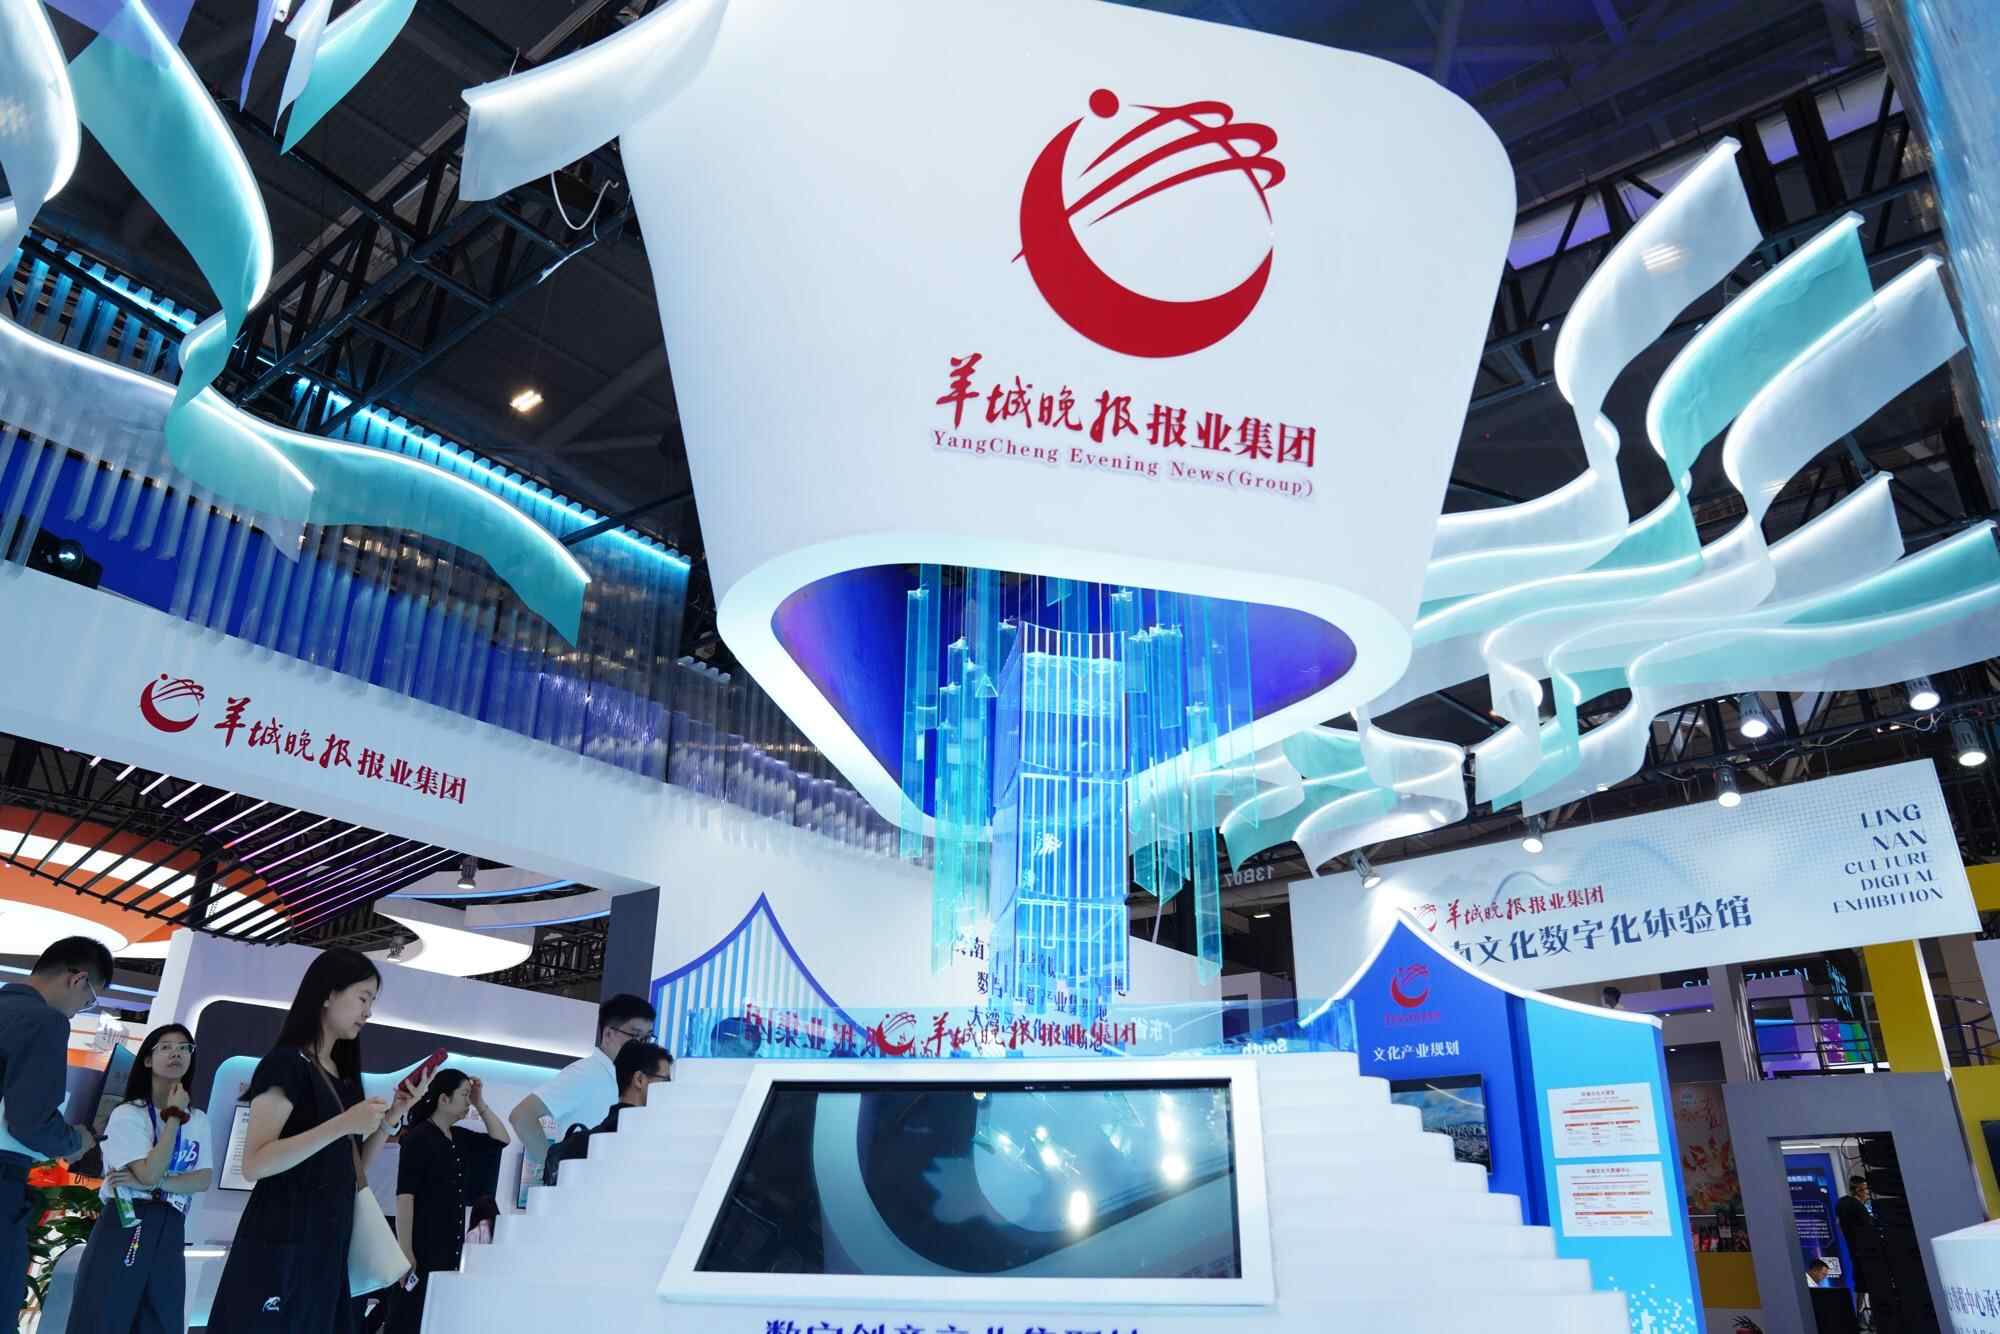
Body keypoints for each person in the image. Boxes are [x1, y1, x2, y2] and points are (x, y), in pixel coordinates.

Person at [204, 948, 426, 1334]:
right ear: (328, 994)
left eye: (372, 1001)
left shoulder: (343, 1075)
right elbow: (254, 1162)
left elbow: (352, 1169)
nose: (368, 1012)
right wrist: (341, 1124)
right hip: (283, 1239)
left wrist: (392, 1117)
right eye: (363, 998)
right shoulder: (286, 1064)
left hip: (329, 1244)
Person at [65, 1024, 213, 1333]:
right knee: (104, 1318)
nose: (176, 1053)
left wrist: (156, 1184)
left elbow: (201, 1179)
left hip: (171, 1226)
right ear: (147, 1059)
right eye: (166, 1047)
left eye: (184, 1048)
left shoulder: (199, 1119)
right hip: (128, 1222)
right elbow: (149, 1171)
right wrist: (174, 1117)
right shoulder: (128, 1114)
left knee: (161, 1322)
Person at [3, 937, 108, 1325]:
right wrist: (75, 1141)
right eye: (89, 1001)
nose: (81, 1010)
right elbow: (30, 1122)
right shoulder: (45, 1021)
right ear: (77, 979)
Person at [388, 1072, 508, 1334]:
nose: (467, 1101)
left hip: (449, 1247)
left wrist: (480, 1102)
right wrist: (405, 1250)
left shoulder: (459, 1137)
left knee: (435, 1316)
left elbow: (502, 1139)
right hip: (422, 1246)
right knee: (409, 1315)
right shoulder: (418, 1137)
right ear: (444, 1099)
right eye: (464, 1095)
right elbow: (405, 1196)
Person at [507, 994, 654, 1184]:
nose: (644, 1047)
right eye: (636, 1036)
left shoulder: (625, 1078)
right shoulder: (585, 1073)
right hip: (582, 1189)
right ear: (608, 1034)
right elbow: (522, 1116)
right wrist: (556, 1172)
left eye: (648, 1038)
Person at [540, 1042, 672, 1188]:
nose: (670, 1089)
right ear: (639, 1080)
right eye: (666, 1081)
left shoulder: (582, 1143)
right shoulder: (646, 1143)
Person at [1836, 1175, 1900, 1330]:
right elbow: (1869, 1227)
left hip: (1857, 1253)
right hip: (1869, 1254)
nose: (1867, 1193)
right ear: (1858, 1190)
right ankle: (1875, 1318)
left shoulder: (1843, 1205)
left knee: (1862, 1286)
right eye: (1865, 1189)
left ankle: (1860, 1317)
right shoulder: (1856, 1207)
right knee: (1872, 1285)